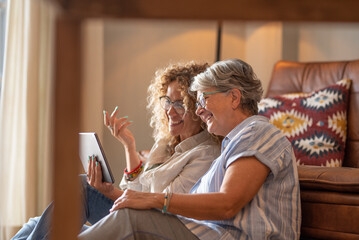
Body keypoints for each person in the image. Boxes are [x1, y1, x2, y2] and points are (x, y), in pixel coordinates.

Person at [77, 58, 301, 240]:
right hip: (199, 232)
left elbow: (227, 204)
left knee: (128, 219)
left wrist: (156, 200)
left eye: (203, 99)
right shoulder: (232, 144)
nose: (199, 111)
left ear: (234, 97)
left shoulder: (257, 133)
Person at [11, 62, 221, 240]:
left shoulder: (205, 154)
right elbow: (136, 188)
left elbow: (159, 205)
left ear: (198, 109)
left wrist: (110, 192)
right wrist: (128, 146)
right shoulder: (166, 144)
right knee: (34, 224)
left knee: (81, 187)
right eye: (167, 101)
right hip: (136, 211)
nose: (169, 111)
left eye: (179, 104)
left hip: (154, 225)